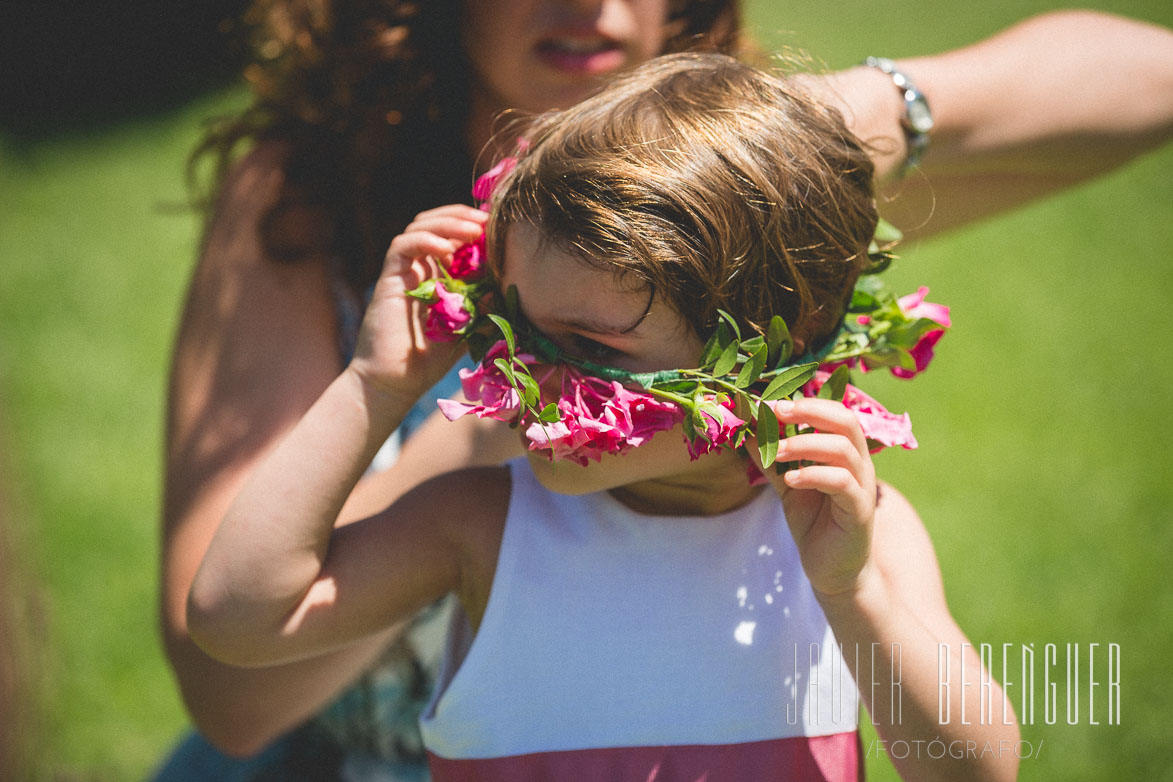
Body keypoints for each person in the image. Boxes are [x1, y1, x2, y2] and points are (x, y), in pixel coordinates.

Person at [160, 0, 1173, 778]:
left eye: (589, 344)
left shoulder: (842, 533)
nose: (520, 382)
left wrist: (857, 596)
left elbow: (976, 764)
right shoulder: (479, 521)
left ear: (774, 351)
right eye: (510, 329)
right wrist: (377, 386)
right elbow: (235, 622)